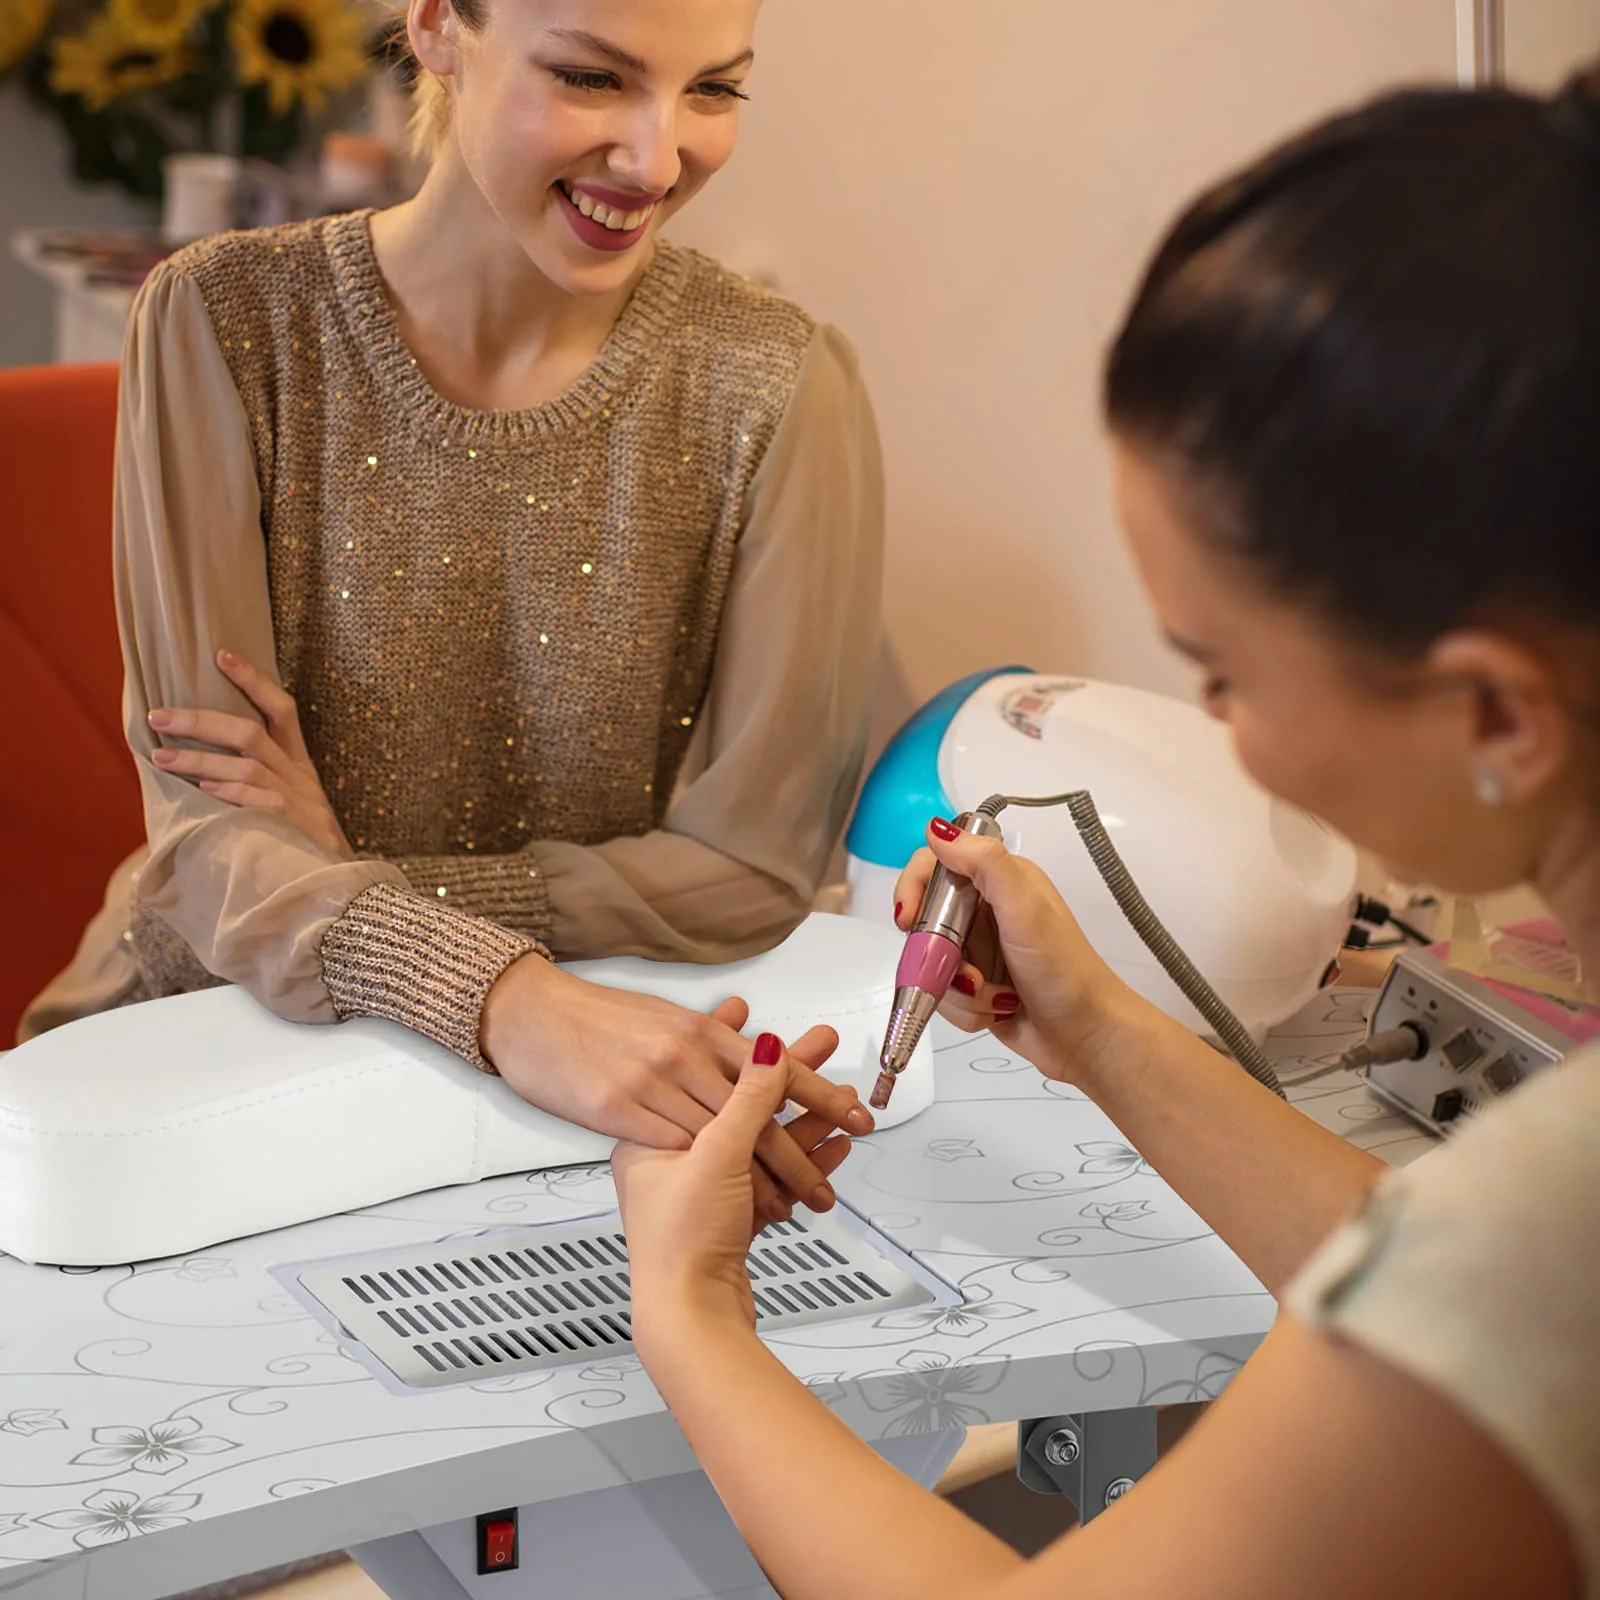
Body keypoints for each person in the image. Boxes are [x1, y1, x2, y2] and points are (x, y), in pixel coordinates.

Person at [612, 65, 1600, 1598]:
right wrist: (1105, 1036)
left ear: (1496, 715)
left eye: (1227, 675)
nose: (1225, 735)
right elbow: (1449, 1288)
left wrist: (687, 1311)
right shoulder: (1526, 1242)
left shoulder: (1543, 1225)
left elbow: (1492, 1287)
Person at [20, 0, 882, 1221]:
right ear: (435, 25)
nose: (654, 158)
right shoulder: (221, 321)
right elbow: (211, 857)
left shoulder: (782, 385)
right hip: (197, 1059)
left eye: (714, 92)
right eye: (590, 78)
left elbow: (750, 868)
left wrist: (347, 878)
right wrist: (508, 997)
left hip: (560, 1097)